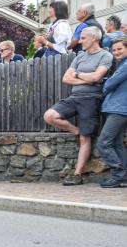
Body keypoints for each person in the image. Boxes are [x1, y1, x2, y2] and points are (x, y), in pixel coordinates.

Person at [44, 26, 112, 185]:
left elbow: (97, 75)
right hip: (74, 97)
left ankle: (77, 174)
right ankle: (77, 130)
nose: (79, 41)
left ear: (94, 38)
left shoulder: (105, 56)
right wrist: (89, 79)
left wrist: (79, 75)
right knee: (49, 116)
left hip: (92, 98)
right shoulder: (80, 56)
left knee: (85, 138)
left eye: (83, 38)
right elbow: (66, 78)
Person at [96, 38, 127, 188]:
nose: (116, 52)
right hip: (116, 108)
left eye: (120, 49)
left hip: (119, 109)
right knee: (117, 144)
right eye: (114, 50)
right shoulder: (121, 65)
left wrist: (106, 83)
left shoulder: (126, 65)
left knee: (103, 142)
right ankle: (124, 177)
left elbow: (109, 84)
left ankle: (118, 174)